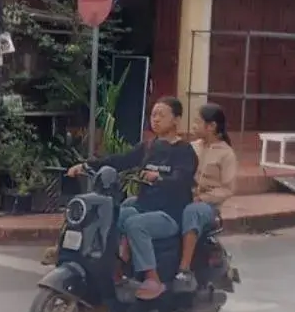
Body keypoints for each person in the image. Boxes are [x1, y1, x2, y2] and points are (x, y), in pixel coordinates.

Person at [67, 97, 197, 300]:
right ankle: (116, 268)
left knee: (136, 224)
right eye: (153, 115)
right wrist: (86, 166)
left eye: (161, 115)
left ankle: (153, 279)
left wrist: (159, 177)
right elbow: (121, 160)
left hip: (170, 214)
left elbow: (182, 178)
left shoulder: (184, 151)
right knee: (114, 216)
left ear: (176, 120)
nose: (155, 119)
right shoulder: (149, 146)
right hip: (144, 207)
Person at [172, 103, 238, 291]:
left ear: (211, 126)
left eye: (197, 122)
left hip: (208, 207)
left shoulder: (226, 154)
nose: (193, 126)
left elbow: (228, 189)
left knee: (192, 211)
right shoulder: (192, 147)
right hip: (186, 198)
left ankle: (184, 269)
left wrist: (203, 198)